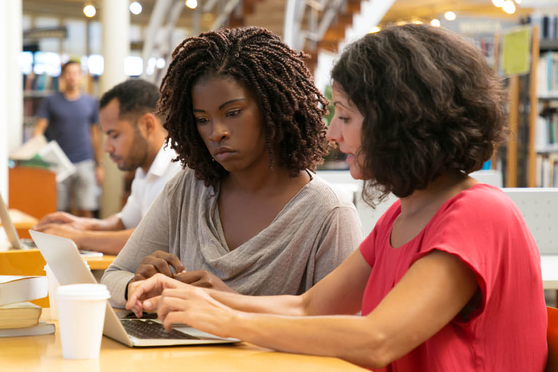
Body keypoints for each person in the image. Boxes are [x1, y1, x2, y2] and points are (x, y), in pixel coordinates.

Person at [126, 25, 547, 371]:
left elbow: (378, 338)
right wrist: (197, 298)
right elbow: (310, 306)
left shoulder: (478, 213)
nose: (331, 134)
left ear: (398, 120)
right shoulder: (403, 216)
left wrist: (230, 320)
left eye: (345, 116)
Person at [101, 27, 363, 308]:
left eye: (233, 113)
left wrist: (228, 303)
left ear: (272, 108)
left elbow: (338, 333)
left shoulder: (329, 214)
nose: (217, 132)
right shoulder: (187, 189)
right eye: (202, 119)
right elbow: (112, 278)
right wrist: (140, 287)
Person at [33, 79, 182, 255]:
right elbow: (125, 222)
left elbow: (150, 240)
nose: (107, 148)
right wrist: (85, 225)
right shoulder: (145, 171)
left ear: (148, 125)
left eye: (114, 135)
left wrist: (78, 237)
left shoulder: (179, 168)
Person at [33, 60, 103, 217]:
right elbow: (38, 132)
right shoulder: (51, 102)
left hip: (84, 161)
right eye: (69, 73)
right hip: (59, 163)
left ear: (81, 76)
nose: (72, 77)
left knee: (85, 208)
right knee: (59, 210)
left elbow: (94, 134)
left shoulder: (90, 102)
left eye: (76, 73)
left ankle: (88, 242)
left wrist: (99, 165)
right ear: (63, 76)